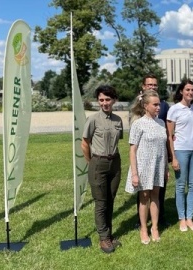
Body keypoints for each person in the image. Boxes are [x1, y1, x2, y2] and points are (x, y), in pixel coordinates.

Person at [81, 85, 123, 254]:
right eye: (101, 100)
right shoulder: (92, 119)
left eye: (108, 99)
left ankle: (109, 234)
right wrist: (91, 162)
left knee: (111, 199)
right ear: (98, 101)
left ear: (114, 100)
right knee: (101, 202)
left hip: (115, 163)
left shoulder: (118, 120)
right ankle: (103, 238)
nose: (105, 103)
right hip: (98, 163)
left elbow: (117, 141)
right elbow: (85, 143)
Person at [125, 90, 167, 244]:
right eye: (155, 104)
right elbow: (132, 149)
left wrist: (166, 169)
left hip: (157, 166)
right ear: (145, 105)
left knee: (155, 196)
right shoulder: (138, 124)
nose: (158, 107)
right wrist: (135, 174)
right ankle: (143, 228)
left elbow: (163, 148)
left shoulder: (161, 123)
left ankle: (154, 227)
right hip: (143, 166)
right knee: (144, 198)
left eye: (159, 104)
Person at [133, 74, 170, 230]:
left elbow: (167, 133)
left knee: (157, 192)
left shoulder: (164, 108)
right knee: (143, 194)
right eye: (150, 85)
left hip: (159, 156)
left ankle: (157, 221)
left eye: (155, 85)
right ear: (143, 86)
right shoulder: (137, 109)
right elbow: (133, 142)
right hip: (144, 157)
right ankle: (141, 222)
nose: (153, 87)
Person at [167, 80, 193, 232]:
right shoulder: (174, 109)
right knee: (181, 186)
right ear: (181, 91)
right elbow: (169, 136)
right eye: (187, 89)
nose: (190, 92)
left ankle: (190, 217)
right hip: (181, 150)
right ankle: (181, 218)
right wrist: (173, 157)